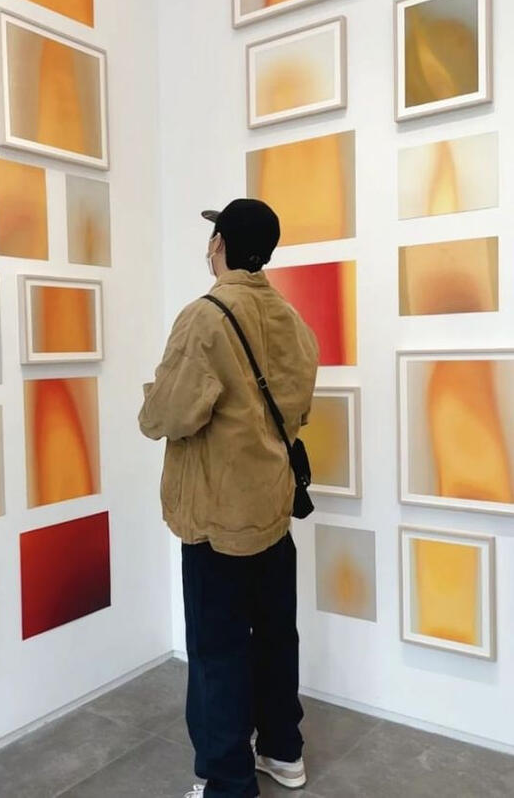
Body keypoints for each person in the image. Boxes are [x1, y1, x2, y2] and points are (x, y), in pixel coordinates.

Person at [138, 198, 319, 798]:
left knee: (217, 651)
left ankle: (227, 782)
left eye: (213, 235)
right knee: (275, 637)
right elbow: (297, 409)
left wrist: (152, 396)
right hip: (272, 508)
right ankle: (283, 751)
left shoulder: (205, 317)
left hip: (217, 518)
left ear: (219, 245)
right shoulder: (291, 319)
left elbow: (167, 416)